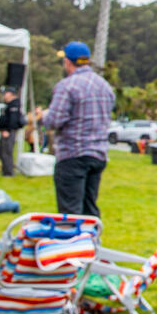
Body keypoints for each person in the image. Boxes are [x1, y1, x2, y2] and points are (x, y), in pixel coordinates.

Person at [37, 42, 114, 218]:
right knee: (89, 209)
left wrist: (42, 117)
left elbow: (55, 120)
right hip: (98, 154)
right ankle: (92, 242)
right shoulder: (104, 86)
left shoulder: (67, 86)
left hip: (73, 154)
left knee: (71, 212)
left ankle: (73, 244)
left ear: (67, 62)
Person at [0, 86, 25, 177]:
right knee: (4, 151)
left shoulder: (14, 105)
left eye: (6, 93)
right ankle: (6, 171)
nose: (4, 95)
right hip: (5, 131)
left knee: (7, 151)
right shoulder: (9, 104)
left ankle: (9, 172)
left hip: (9, 131)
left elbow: (13, 120)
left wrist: (7, 130)